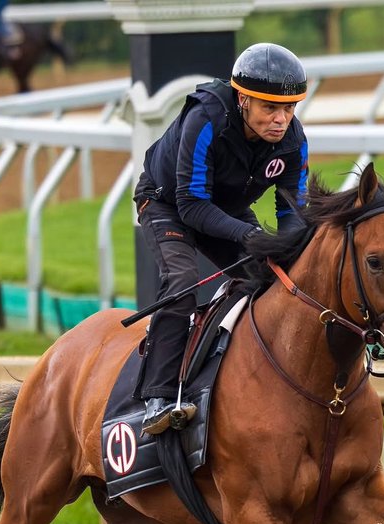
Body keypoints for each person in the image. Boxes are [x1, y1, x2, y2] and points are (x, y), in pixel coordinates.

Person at [133, 42, 311, 435]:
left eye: (290, 108)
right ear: (243, 99)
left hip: (225, 210)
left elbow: (293, 215)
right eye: (270, 108)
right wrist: (250, 234)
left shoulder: (294, 142)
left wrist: (290, 256)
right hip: (169, 205)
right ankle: (158, 395)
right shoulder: (207, 118)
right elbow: (193, 205)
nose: (281, 119)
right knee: (181, 282)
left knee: (270, 277)